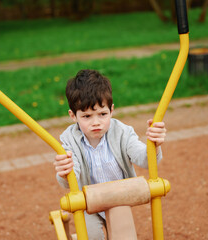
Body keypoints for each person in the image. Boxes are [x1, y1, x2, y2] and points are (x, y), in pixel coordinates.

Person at [54, 69, 166, 239]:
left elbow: (144, 159)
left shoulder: (122, 132)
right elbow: (71, 179)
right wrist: (64, 171)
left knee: (124, 236)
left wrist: (154, 146)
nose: (96, 122)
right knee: (91, 236)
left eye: (102, 114)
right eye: (86, 116)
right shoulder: (70, 140)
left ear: (112, 110)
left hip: (118, 198)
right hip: (88, 203)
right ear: (73, 116)